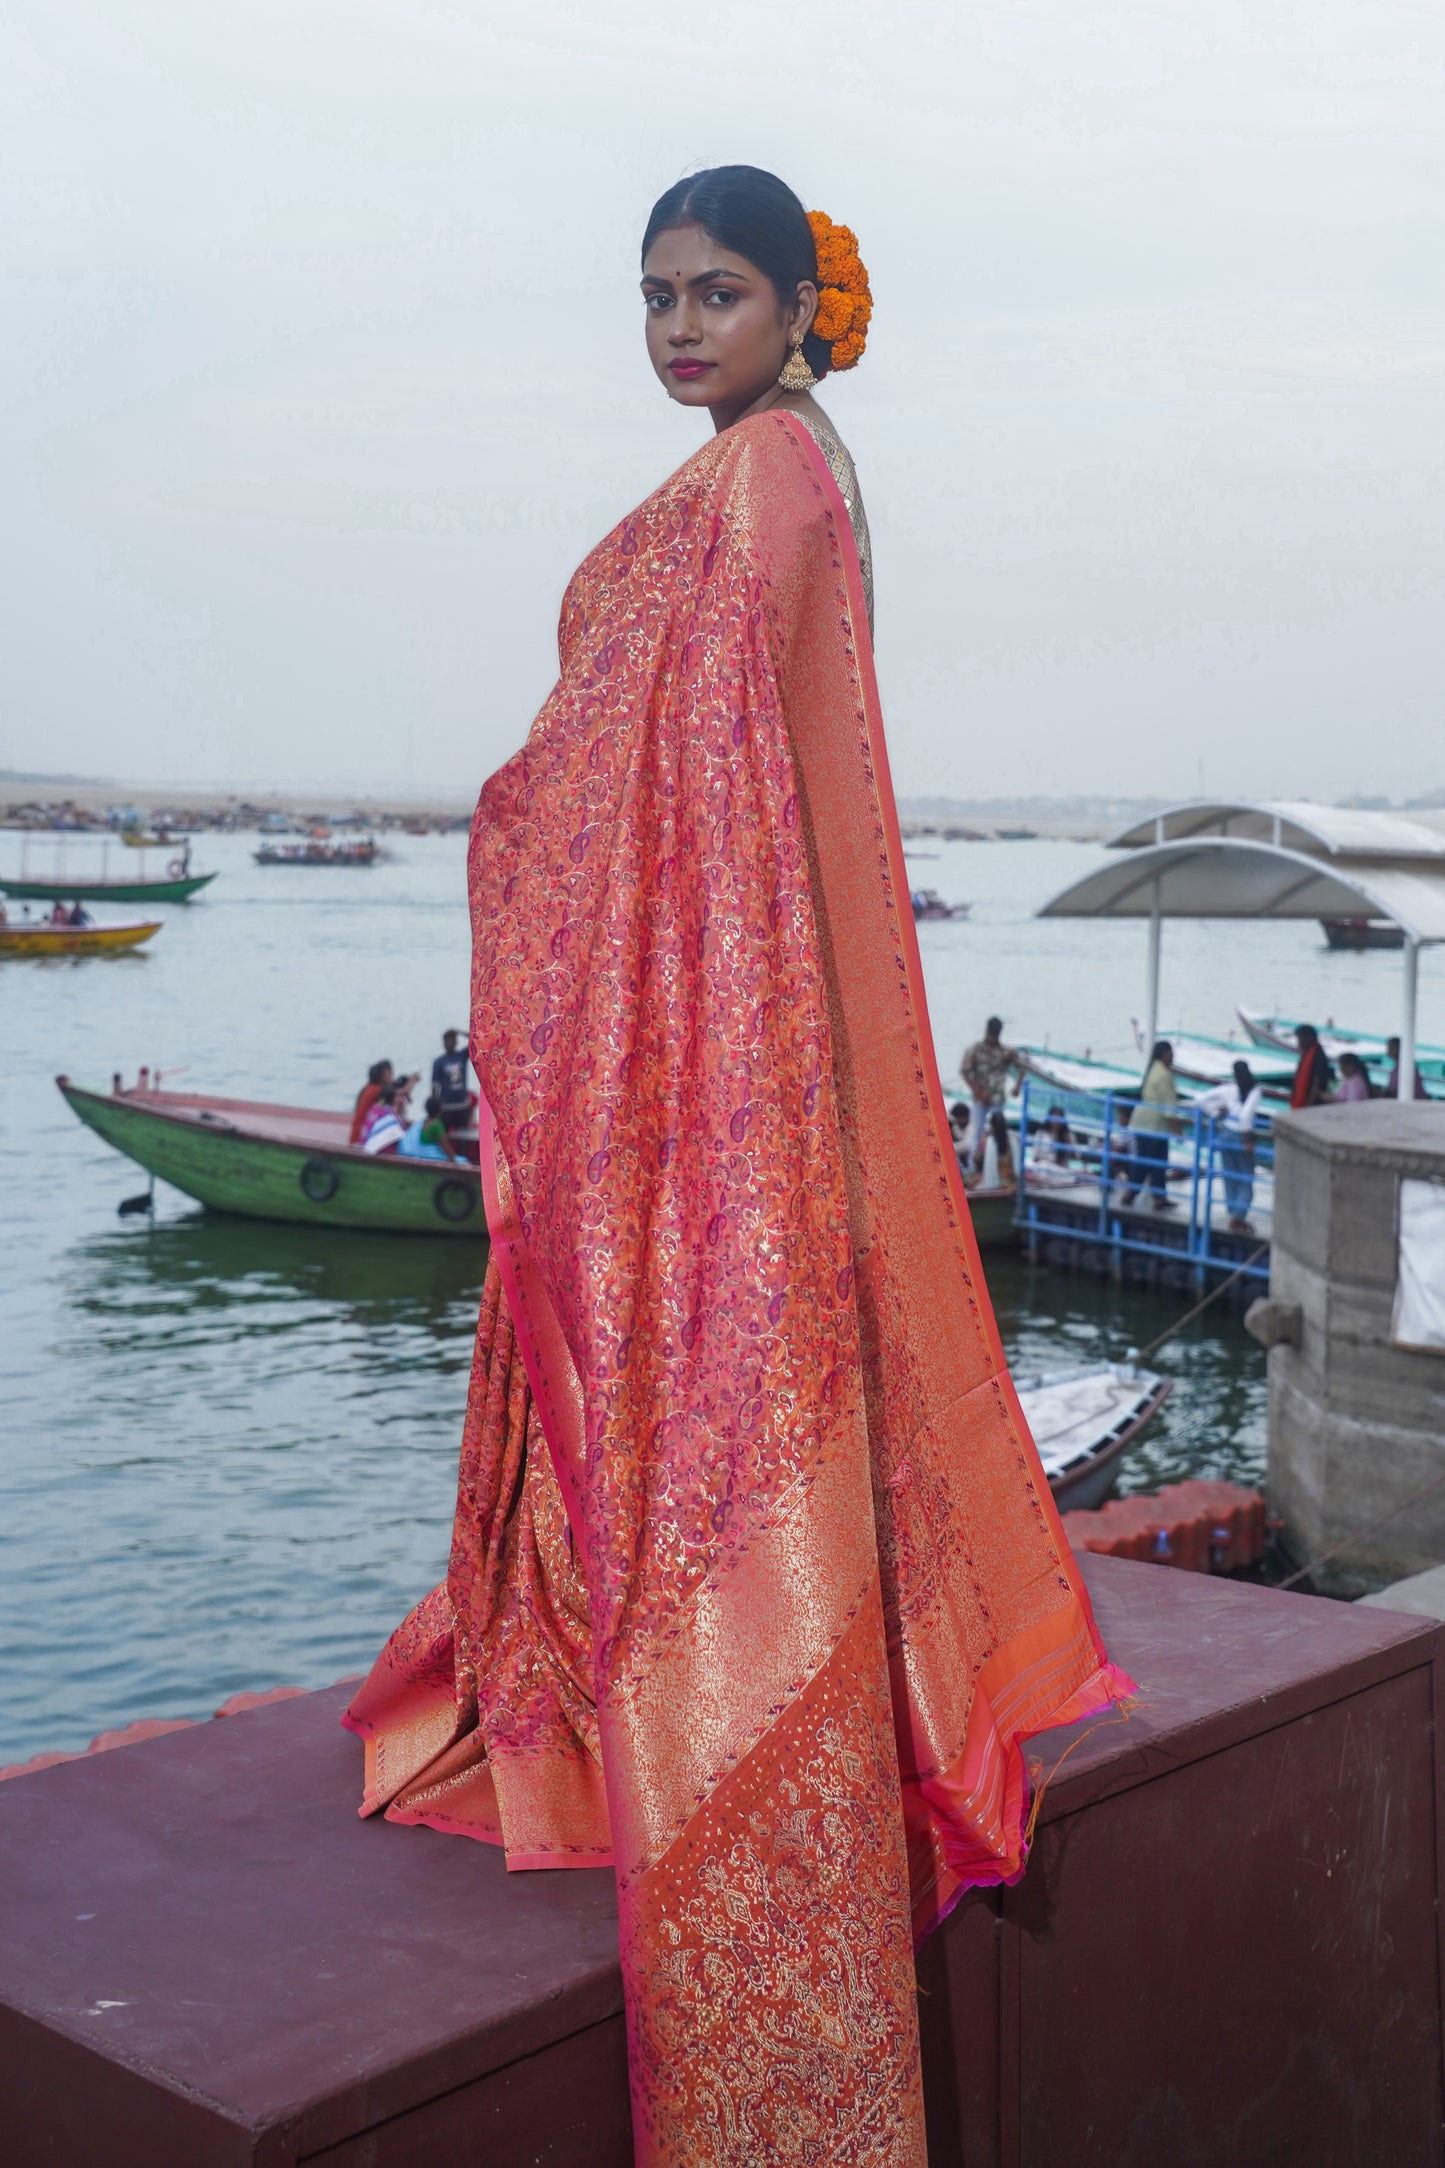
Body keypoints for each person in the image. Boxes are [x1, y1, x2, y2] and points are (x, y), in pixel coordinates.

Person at [342, 167, 1129, 2161]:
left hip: (726, 1030)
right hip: (743, 1014)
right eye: (652, 298)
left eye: (714, 292)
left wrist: (523, 818)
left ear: (795, 305)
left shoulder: (764, 479)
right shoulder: (793, 473)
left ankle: (752, 1873)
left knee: (701, 1409)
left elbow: (677, 767)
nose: (677, 328)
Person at [1195, 1058, 1264, 1230]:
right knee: (1246, 1178)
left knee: (1230, 1176)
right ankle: (1238, 1217)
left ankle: (1234, 1212)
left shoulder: (1228, 1089)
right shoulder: (1255, 1091)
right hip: (1241, 1136)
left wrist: (1215, 1113)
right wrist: (1247, 1140)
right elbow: (1246, 1116)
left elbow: (1200, 1100)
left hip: (1225, 1134)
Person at [1125, 1039, 1180, 1210]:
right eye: (1170, 1053)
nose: (1173, 1056)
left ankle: (1158, 1196)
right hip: (1153, 1126)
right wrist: (1178, 1130)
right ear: (1164, 1054)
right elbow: (1169, 1108)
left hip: (1145, 1123)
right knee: (1150, 1161)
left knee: (1155, 1161)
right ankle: (1132, 1193)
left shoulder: (1153, 1069)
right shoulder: (1163, 1075)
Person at [959, 1015, 1022, 1163]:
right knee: (976, 1132)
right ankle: (972, 1166)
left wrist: (1017, 1086)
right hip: (981, 1098)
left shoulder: (1006, 1052)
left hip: (997, 1099)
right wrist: (977, 1091)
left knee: (998, 1133)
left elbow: (1022, 1068)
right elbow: (965, 1071)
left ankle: (998, 1165)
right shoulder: (975, 1050)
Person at [430, 1029, 476, 1130]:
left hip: (462, 1106)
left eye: (451, 1041)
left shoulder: (462, 1056)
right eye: (446, 1041)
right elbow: (434, 1086)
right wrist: (434, 1110)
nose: (449, 1044)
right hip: (446, 1107)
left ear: (455, 1042)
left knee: (464, 1137)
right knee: (445, 1135)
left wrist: (458, 1032)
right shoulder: (439, 1062)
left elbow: (475, 1039)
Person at [397, 1092, 459, 1162]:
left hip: (417, 1155)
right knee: (463, 1160)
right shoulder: (437, 1125)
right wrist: (454, 1161)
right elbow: (446, 1149)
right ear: (440, 1110)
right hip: (427, 1157)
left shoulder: (420, 1122)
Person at [1290, 1024, 1334, 1109]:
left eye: (1300, 1039)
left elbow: (1317, 1082)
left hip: (1312, 1103)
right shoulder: (1305, 1053)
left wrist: (1308, 1106)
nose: (1299, 1042)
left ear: (1309, 1038)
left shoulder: (1319, 1056)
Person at [358, 1082, 407, 1155]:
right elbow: (401, 1135)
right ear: (394, 1099)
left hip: (364, 1145)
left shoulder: (373, 1108)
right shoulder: (391, 1116)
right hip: (382, 1153)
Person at [350, 1060, 392, 1144]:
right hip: (361, 1138)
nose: (391, 1077)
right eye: (389, 1074)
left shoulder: (367, 1088)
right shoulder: (379, 1090)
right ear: (381, 1076)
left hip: (357, 1134)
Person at [1384, 1037, 1431, 1101]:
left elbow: (1394, 1092)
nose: (1388, 1050)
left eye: (1391, 1047)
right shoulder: (1398, 1067)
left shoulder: (1407, 1069)